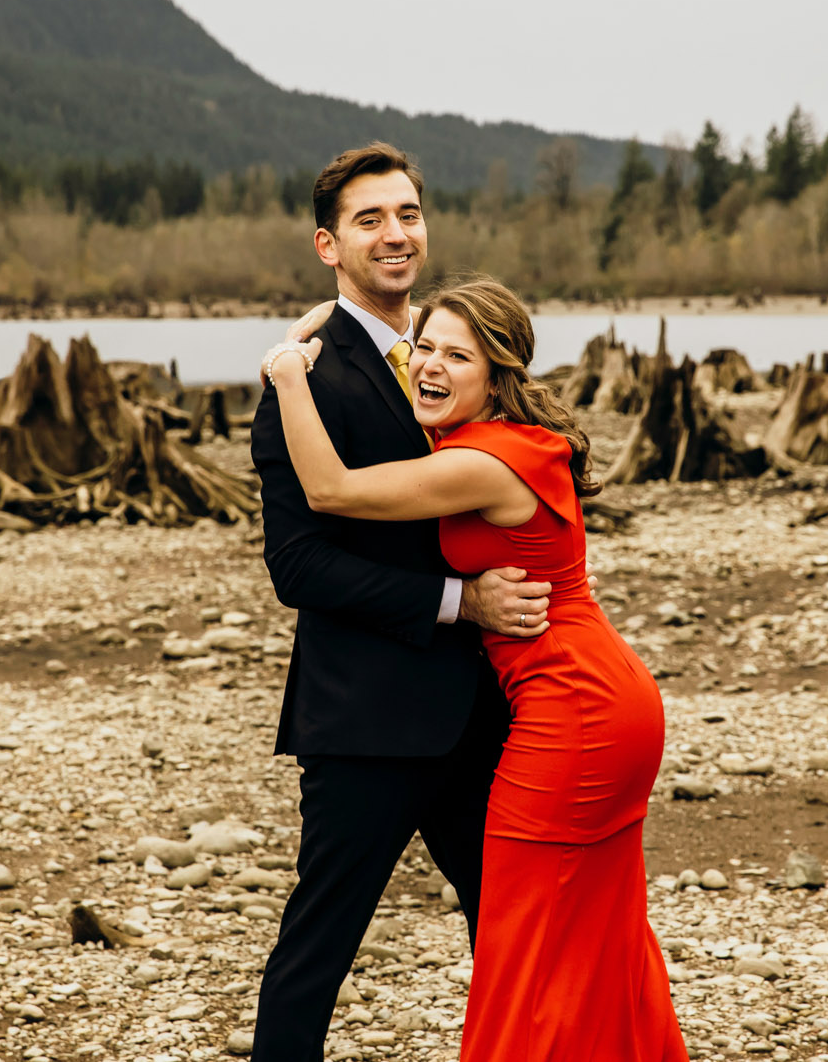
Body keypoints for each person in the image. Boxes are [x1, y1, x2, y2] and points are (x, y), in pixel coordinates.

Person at [263, 273, 689, 1061]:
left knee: (523, 934)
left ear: (497, 375)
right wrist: (333, 327)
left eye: (459, 354)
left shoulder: (489, 460)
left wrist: (289, 367)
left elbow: (331, 489)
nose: (433, 363)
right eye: (424, 346)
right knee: (595, 928)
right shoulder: (487, 442)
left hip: (574, 708)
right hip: (595, 692)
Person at [248, 144, 556, 1062]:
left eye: (409, 213)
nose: (396, 233)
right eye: (370, 219)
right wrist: (459, 601)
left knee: (515, 934)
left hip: (481, 715)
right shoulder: (298, 385)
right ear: (328, 244)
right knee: (316, 951)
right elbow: (297, 568)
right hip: (364, 719)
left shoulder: (456, 358)